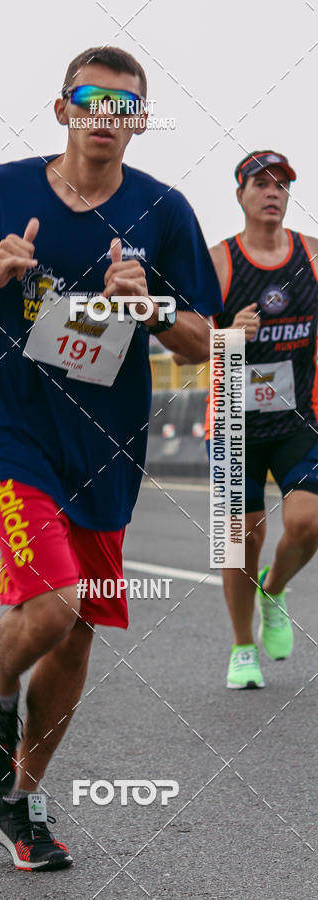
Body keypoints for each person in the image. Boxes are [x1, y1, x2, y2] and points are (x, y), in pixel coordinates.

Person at [0, 47, 222, 871]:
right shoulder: (2, 189)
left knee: (77, 631)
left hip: (105, 444)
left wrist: (154, 305)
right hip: (13, 428)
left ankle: (21, 802)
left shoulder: (164, 210)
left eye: (126, 103)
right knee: (54, 602)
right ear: (63, 109)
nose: (108, 114)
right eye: (92, 99)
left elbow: (206, 344)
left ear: (139, 119)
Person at [197, 151, 318, 689]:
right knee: (240, 540)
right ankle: (242, 647)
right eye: (261, 183)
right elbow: (185, 344)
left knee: (308, 523)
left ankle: (276, 587)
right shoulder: (219, 263)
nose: (273, 192)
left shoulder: (311, 256)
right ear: (240, 194)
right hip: (233, 426)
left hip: (300, 421)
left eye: (283, 185)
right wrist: (227, 337)